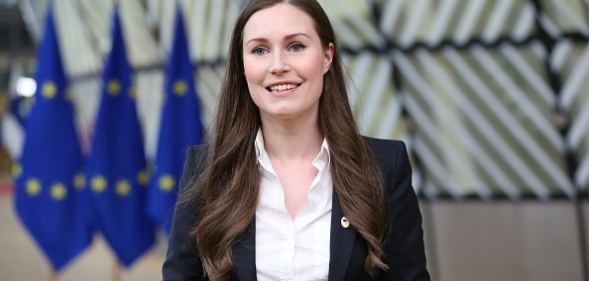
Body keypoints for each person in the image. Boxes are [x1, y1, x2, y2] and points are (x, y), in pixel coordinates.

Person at [163, 0, 430, 280]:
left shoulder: (385, 166)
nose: (278, 65)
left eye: (296, 46)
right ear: (243, 66)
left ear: (327, 57)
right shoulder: (206, 171)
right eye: (260, 50)